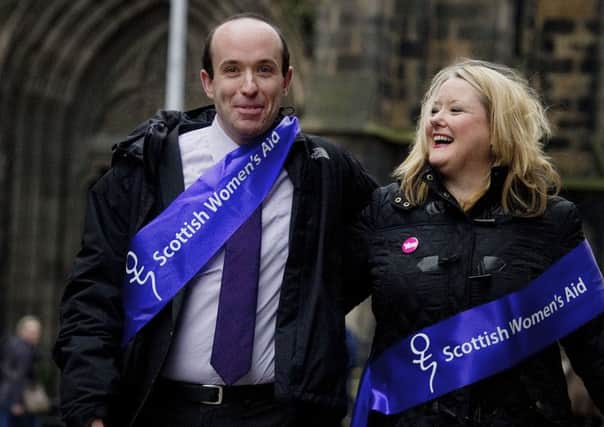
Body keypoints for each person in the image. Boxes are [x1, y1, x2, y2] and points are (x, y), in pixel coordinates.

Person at [53, 12, 376, 427]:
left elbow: (388, 243)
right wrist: (89, 408)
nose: (249, 87)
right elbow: (93, 294)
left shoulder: (325, 170)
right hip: (162, 410)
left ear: (286, 79)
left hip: (279, 415)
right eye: (232, 70)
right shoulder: (144, 170)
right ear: (207, 82)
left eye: (265, 70)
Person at [348, 59, 604, 426]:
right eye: (433, 109)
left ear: (498, 129)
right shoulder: (386, 212)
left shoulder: (552, 220)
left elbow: (594, 346)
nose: (436, 118)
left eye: (455, 110)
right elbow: (318, 302)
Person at [0, 316, 43, 427]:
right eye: (32, 332)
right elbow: (17, 376)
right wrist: (16, 401)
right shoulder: (22, 349)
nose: (36, 335)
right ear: (22, 331)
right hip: (17, 398)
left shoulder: (20, 345)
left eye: (37, 331)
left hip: (12, 397)